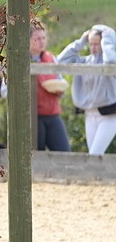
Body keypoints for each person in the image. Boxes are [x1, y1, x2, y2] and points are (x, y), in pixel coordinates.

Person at [57, 24, 116, 155]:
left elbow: (110, 60)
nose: (94, 47)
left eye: (97, 43)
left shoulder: (109, 63)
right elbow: (59, 61)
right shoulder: (83, 62)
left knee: (94, 155)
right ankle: (99, 176)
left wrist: (107, 38)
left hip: (109, 114)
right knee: (94, 157)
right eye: (91, 43)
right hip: (89, 114)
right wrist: (81, 41)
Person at [29, 22, 69, 152]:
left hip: (52, 114)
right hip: (32, 117)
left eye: (43, 38)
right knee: (36, 158)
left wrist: (60, 90)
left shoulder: (51, 58)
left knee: (65, 154)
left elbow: (60, 80)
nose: (42, 42)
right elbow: (6, 92)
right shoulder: (21, 59)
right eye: (38, 38)